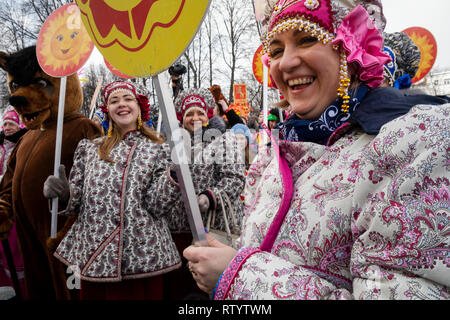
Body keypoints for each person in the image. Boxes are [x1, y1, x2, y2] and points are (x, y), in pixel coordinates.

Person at [183, 0, 449, 300]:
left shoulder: (412, 148)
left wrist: (239, 275)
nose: (285, 62)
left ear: (349, 48)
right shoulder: (274, 155)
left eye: (307, 38)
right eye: (276, 50)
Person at [43, 81, 181, 300]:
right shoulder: (89, 148)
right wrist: (64, 194)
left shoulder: (158, 148)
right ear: (107, 110)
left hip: (141, 259)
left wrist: (175, 175)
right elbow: (76, 203)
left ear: (139, 107)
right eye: (114, 101)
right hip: (95, 258)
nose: (121, 104)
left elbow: (156, 206)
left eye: (128, 99)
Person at [156, 87, 246, 300]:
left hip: (211, 230)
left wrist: (208, 197)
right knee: (179, 289)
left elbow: (235, 178)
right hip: (176, 232)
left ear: (208, 114)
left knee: (205, 290)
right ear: (181, 117)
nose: (195, 118)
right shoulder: (169, 145)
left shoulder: (224, 140)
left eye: (200, 112)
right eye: (189, 113)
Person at [0, 106, 27, 299]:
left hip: (16, 202)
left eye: (11, 123)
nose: (7, 128)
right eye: (5, 124)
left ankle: (22, 287)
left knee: (14, 246)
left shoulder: (24, 142)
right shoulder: (1, 146)